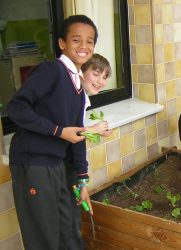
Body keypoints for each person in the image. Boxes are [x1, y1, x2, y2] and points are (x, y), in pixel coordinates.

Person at [6, 15, 97, 250]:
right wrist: (58, 131)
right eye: (76, 40)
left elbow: (77, 135)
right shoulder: (51, 70)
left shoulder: (78, 87)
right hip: (34, 161)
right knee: (44, 239)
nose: (84, 46)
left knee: (70, 233)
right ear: (62, 44)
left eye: (90, 41)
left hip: (58, 164)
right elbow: (15, 108)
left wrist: (82, 179)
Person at [65, 53, 112, 249]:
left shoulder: (82, 98)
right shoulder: (72, 95)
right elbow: (68, 131)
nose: (101, 81)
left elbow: (76, 133)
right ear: (82, 72)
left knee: (72, 218)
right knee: (67, 220)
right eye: (96, 74)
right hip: (58, 164)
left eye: (105, 77)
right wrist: (93, 130)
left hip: (68, 164)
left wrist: (93, 133)